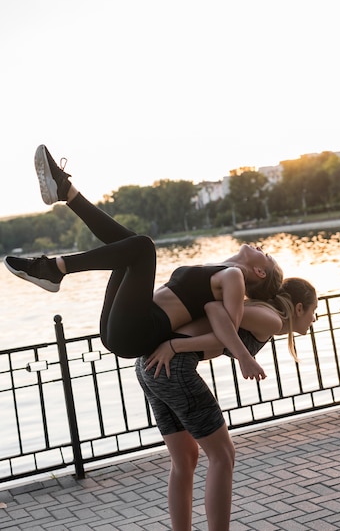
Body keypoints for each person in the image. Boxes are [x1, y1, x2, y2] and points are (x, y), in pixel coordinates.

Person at [4, 145, 284, 379]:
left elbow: (225, 333)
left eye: (266, 254)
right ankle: (66, 192)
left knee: (144, 248)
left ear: (259, 271)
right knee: (128, 248)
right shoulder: (221, 269)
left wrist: (243, 358)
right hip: (123, 326)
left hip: (136, 332)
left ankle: (54, 268)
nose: (261, 247)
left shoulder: (233, 276)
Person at [136, 277, 318, 531]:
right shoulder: (272, 319)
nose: (314, 318)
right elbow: (214, 309)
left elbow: (221, 333)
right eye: (314, 311)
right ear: (299, 308)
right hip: (171, 366)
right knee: (223, 455)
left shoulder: (266, 316)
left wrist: (173, 345)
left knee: (185, 459)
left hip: (149, 365)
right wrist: (176, 346)